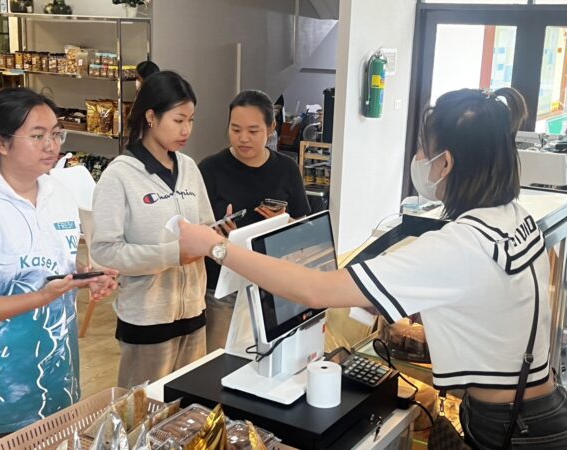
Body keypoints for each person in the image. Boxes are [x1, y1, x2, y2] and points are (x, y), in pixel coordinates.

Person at [180, 88, 567, 449]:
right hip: (537, 407)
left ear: (446, 163)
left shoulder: (460, 245)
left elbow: (316, 290)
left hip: (510, 427)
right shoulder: (513, 217)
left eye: (423, 150)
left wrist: (216, 247)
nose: (419, 159)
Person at [0, 88, 118, 449]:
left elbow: (51, 262)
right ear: (1, 143)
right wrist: (41, 297)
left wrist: (84, 275)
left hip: (58, 379)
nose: (52, 146)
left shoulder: (58, 194)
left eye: (56, 133)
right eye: (37, 136)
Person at [91, 71, 214, 389]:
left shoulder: (189, 168)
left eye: (191, 120)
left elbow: (204, 225)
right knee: (142, 411)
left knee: (190, 408)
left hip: (194, 311)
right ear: (151, 117)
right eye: (178, 120)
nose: (186, 130)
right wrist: (172, 254)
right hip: (147, 319)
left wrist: (217, 233)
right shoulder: (119, 175)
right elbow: (105, 250)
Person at [198, 89, 310, 352]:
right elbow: (194, 229)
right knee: (219, 359)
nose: (243, 138)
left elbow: (303, 229)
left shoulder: (286, 169)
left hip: (270, 285)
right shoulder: (210, 169)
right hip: (222, 287)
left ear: (271, 129)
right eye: (235, 129)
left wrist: (284, 222)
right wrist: (215, 233)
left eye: (253, 130)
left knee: (267, 356)